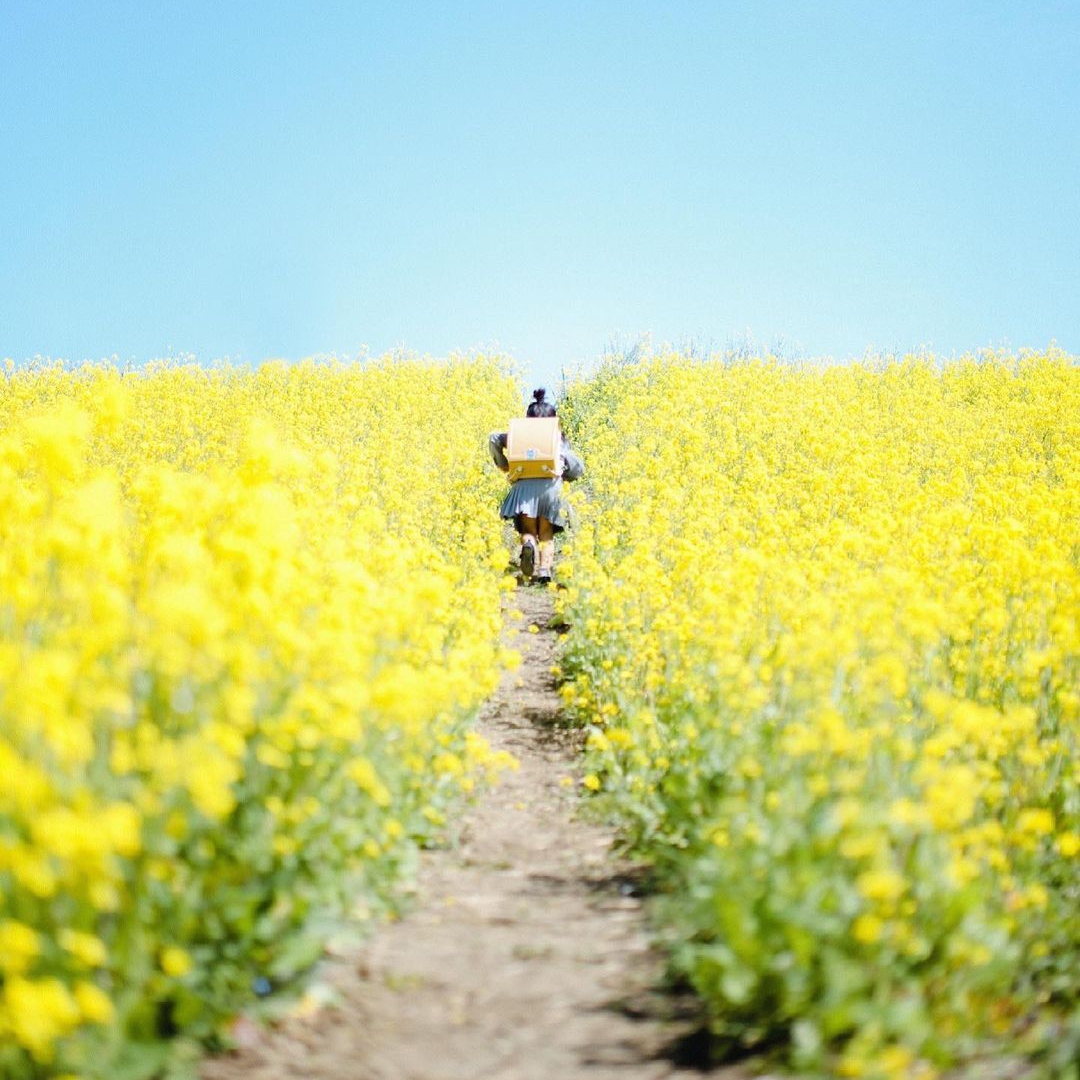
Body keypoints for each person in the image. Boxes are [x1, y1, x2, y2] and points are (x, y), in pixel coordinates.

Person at [489, 388, 584, 584]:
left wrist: (504, 465)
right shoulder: (557, 437)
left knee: (528, 531)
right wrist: (565, 468)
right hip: (551, 488)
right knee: (546, 533)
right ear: (553, 418)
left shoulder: (518, 435)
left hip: (523, 488)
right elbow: (576, 465)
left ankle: (529, 545)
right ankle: (544, 571)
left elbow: (493, 439)